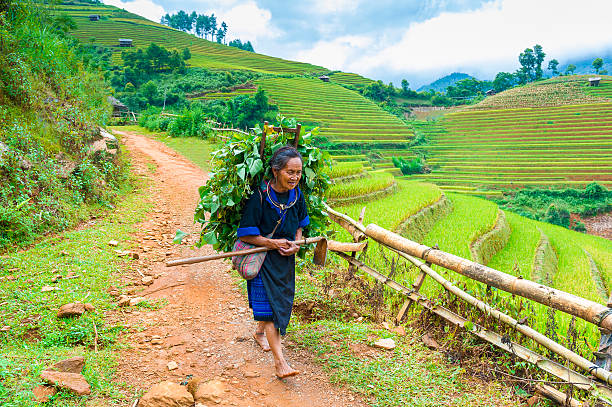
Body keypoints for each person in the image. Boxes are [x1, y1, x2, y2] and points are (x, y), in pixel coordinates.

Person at [237, 145, 309, 378]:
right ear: (275, 170)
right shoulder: (259, 196)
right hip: (262, 260)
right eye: (290, 172)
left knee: (278, 303)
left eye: (298, 173)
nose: (295, 177)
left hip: (284, 262)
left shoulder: (297, 195)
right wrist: (273, 243)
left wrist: (295, 243)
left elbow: (300, 224)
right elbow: (246, 234)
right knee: (268, 310)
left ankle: (259, 333)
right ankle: (280, 363)